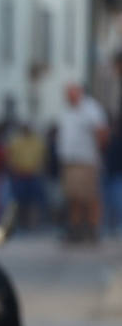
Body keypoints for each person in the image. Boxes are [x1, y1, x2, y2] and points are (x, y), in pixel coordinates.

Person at [56, 82, 109, 242]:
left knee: (89, 196)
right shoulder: (67, 110)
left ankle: (92, 228)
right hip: (70, 161)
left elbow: (101, 131)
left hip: (86, 160)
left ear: (78, 92)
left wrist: (98, 151)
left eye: (70, 93)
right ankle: (76, 228)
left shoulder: (90, 108)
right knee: (73, 196)